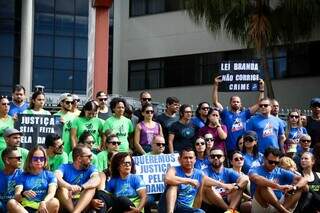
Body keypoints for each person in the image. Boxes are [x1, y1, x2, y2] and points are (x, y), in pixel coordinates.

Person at [158, 147, 237, 213]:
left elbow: (211, 181)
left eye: (191, 158)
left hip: (185, 208)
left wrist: (224, 185)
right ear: (179, 159)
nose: (188, 161)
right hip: (167, 206)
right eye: (185, 158)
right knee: (173, 185)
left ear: (195, 159)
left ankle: (230, 211)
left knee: (200, 212)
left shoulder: (199, 174)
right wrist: (189, 181)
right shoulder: (174, 169)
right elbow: (168, 179)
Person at [212, 76, 264, 153]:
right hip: (229, 148)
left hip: (243, 148)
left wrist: (262, 89)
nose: (236, 103)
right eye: (234, 101)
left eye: (237, 102)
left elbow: (259, 104)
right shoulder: (225, 113)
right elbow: (215, 102)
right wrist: (216, 85)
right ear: (230, 103)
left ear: (240, 104)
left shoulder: (245, 113)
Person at [249, 147, 307, 213]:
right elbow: (255, 178)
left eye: (276, 162)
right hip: (262, 204)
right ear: (264, 159)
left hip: (280, 204)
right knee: (263, 186)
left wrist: (294, 187)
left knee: (300, 187)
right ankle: (283, 211)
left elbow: (303, 179)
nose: (273, 164)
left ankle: (282, 210)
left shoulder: (280, 171)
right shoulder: (255, 170)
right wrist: (278, 186)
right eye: (271, 162)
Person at [7, 145, 59, 213]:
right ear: (30, 159)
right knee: (11, 202)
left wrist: (44, 202)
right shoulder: (22, 175)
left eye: (41, 158)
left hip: (42, 208)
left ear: (45, 159)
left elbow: (51, 193)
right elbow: (17, 196)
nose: (38, 161)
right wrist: (23, 193)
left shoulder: (50, 175)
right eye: (35, 158)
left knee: (55, 202)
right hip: (25, 209)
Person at [55, 145, 100, 213]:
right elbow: (56, 177)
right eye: (89, 156)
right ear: (79, 158)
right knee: (62, 188)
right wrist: (69, 187)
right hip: (66, 201)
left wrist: (81, 187)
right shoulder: (64, 167)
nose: (92, 158)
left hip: (82, 202)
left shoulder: (91, 168)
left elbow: (96, 179)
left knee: (91, 188)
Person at [202, 148, 248, 213]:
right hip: (212, 202)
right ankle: (230, 211)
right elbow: (203, 179)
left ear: (223, 158)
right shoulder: (205, 171)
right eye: (213, 156)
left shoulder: (228, 171)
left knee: (239, 187)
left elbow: (245, 179)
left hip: (228, 198)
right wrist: (223, 185)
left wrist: (236, 186)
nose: (215, 158)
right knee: (207, 187)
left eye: (219, 156)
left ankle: (230, 210)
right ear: (209, 158)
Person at [0, 147, 23, 212]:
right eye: (18, 158)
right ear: (7, 160)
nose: (20, 160)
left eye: (21, 157)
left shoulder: (23, 174)